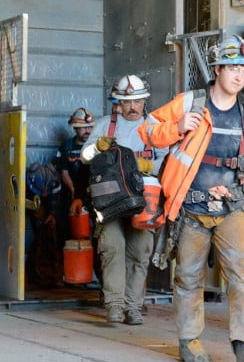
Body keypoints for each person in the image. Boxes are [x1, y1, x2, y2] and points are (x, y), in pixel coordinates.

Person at [137, 35, 244, 362]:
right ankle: (190, 342)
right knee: (189, 278)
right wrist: (176, 126)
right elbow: (146, 130)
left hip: (233, 207)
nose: (239, 76)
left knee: (242, 277)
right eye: (233, 68)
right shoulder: (191, 103)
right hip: (191, 207)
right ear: (217, 68)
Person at [81, 74, 168, 325]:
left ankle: (133, 307)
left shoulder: (154, 126)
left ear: (144, 102)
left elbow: (169, 160)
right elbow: (85, 157)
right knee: (113, 248)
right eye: (127, 102)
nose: (133, 107)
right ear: (117, 103)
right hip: (109, 202)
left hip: (143, 199)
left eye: (138, 101)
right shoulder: (105, 126)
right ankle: (115, 307)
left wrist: (149, 164)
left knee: (140, 251)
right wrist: (97, 147)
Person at [56, 108, 94, 219]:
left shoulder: (96, 146)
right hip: (70, 192)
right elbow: (64, 172)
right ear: (75, 128)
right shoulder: (66, 147)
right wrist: (74, 191)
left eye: (90, 127)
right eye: (83, 128)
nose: (87, 131)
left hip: (91, 193)